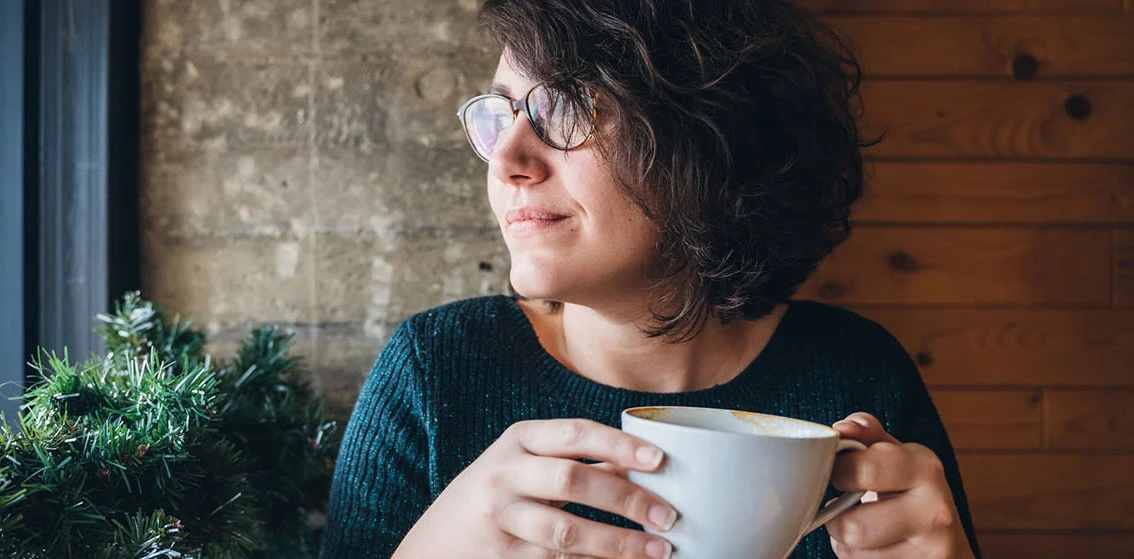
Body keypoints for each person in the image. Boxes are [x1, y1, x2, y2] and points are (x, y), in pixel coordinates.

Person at [320, 1, 982, 558]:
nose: (509, 160)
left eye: (566, 108)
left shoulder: (860, 377)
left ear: (703, 134)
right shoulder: (432, 371)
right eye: (502, 116)